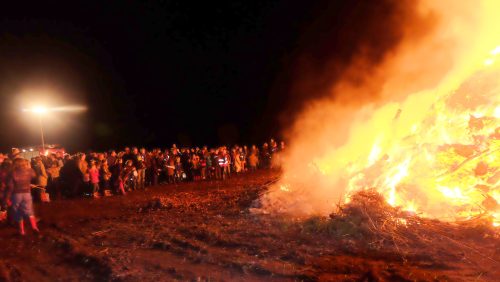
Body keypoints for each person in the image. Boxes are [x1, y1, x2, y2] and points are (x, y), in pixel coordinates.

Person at [6, 158, 39, 235]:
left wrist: (7, 198)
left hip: (16, 194)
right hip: (27, 194)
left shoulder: (12, 172)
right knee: (30, 211)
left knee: (18, 212)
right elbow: (33, 175)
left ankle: (22, 231)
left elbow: (10, 186)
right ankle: (34, 227)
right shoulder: (29, 170)